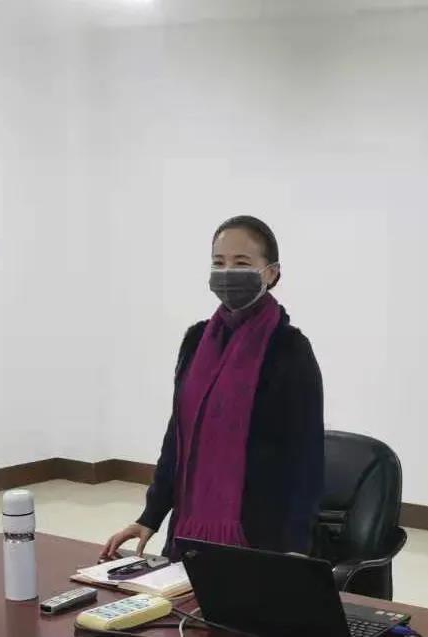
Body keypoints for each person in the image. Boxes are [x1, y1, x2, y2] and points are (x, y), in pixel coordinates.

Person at [101, 215, 324, 560]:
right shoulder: (196, 341)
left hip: (260, 539)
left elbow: (306, 456)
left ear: (271, 273)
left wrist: (297, 546)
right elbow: (178, 436)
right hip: (188, 532)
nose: (228, 272)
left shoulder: (290, 350)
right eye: (219, 263)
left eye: (242, 263)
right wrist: (150, 516)